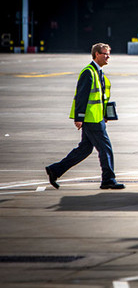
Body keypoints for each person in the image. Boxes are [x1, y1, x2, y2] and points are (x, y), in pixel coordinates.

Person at [46, 43, 125, 190]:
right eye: (105, 53)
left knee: (85, 149)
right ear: (96, 54)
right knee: (105, 148)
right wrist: (79, 117)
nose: (108, 56)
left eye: (109, 54)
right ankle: (108, 179)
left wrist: (104, 114)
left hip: (96, 117)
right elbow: (81, 97)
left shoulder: (98, 72)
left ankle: (55, 170)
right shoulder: (88, 72)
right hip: (91, 119)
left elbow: (100, 98)